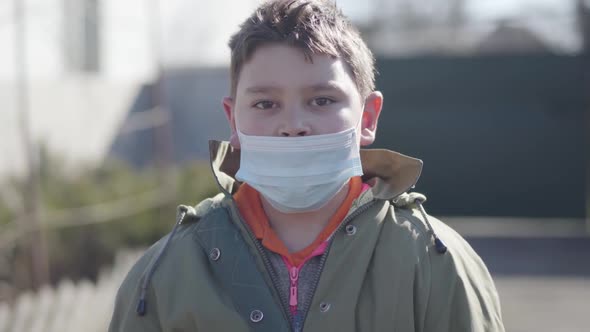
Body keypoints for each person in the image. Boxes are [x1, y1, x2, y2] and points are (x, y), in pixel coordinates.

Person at [109, 0, 505, 331]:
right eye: (265, 104)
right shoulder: (166, 275)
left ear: (367, 119)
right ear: (233, 121)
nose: (293, 126)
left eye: (322, 100)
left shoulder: (435, 263)